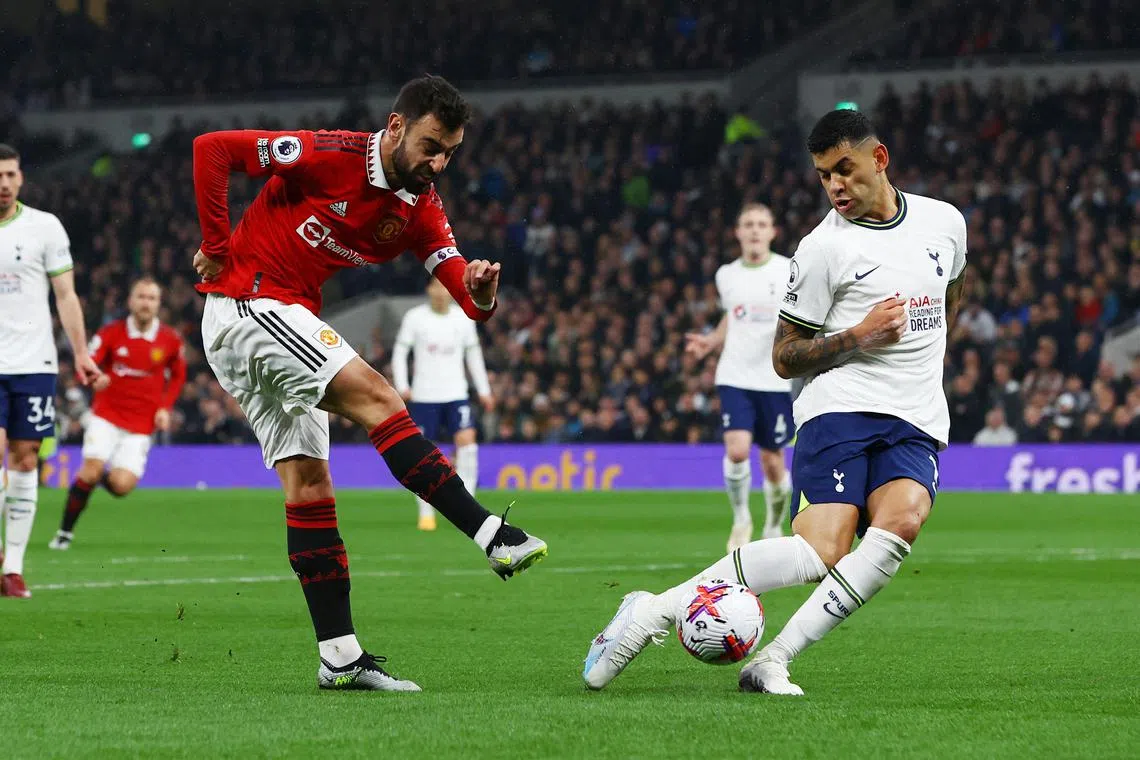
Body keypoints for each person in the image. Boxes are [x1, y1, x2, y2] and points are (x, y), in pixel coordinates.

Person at [582, 109, 967, 696]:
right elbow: (784, 356)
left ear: (879, 159)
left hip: (916, 414)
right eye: (823, 176)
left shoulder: (944, 222)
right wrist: (859, 336)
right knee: (822, 551)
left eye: (845, 169)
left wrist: (935, 349)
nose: (835, 185)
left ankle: (773, 660)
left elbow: (953, 283)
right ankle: (650, 613)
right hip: (842, 406)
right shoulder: (821, 249)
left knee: (901, 525)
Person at [191, 76, 547, 692]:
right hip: (249, 303)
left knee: (309, 483)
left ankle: (339, 656)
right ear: (396, 126)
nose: (438, 163)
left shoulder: (420, 207)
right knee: (379, 396)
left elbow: (459, 281)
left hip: (273, 318)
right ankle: (491, 534)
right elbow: (211, 150)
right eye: (432, 145)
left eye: (450, 153)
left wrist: (482, 295)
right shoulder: (328, 154)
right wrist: (218, 246)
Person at [0, 143, 99, 599]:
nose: (4, 184)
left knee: (24, 460)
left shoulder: (45, 227)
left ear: (21, 178)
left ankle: (13, 567)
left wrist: (80, 353)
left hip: (33, 364)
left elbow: (66, 296)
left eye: (11, 175)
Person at [685, 203, 794, 551]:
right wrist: (710, 342)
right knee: (737, 451)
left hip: (774, 378)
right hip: (734, 373)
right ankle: (741, 518)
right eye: (748, 224)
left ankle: (774, 523)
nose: (755, 230)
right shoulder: (727, 275)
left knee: (773, 462)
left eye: (762, 224)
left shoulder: (787, 270)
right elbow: (733, 317)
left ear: (772, 231)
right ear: (738, 232)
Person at [49, 277, 186, 550]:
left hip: (141, 425)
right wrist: (93, 378)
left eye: (152, 298)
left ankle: (91, 478)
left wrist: (164, 407)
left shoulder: (170, 340)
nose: (146, 303)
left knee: (122, 486)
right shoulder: (111, 333)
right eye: (141, 297)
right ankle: (65, 532)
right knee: (90, 471)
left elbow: (179, 376)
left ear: (159, 304)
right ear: (131, 301)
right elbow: (85, 365)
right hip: (106, 416)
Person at [392, 277, 493, 531]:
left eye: (446, 288)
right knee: (424, 455)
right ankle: (426, 512)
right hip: (424, 396)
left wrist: (484, 390)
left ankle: (468, 504)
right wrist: (403, 385)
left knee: (468, 444)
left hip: (456, 393)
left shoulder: (463, 319)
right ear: (429, 289)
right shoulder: (415, 318)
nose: (441, 292)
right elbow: (400, 352)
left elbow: (474, 355)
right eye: (437, 286)